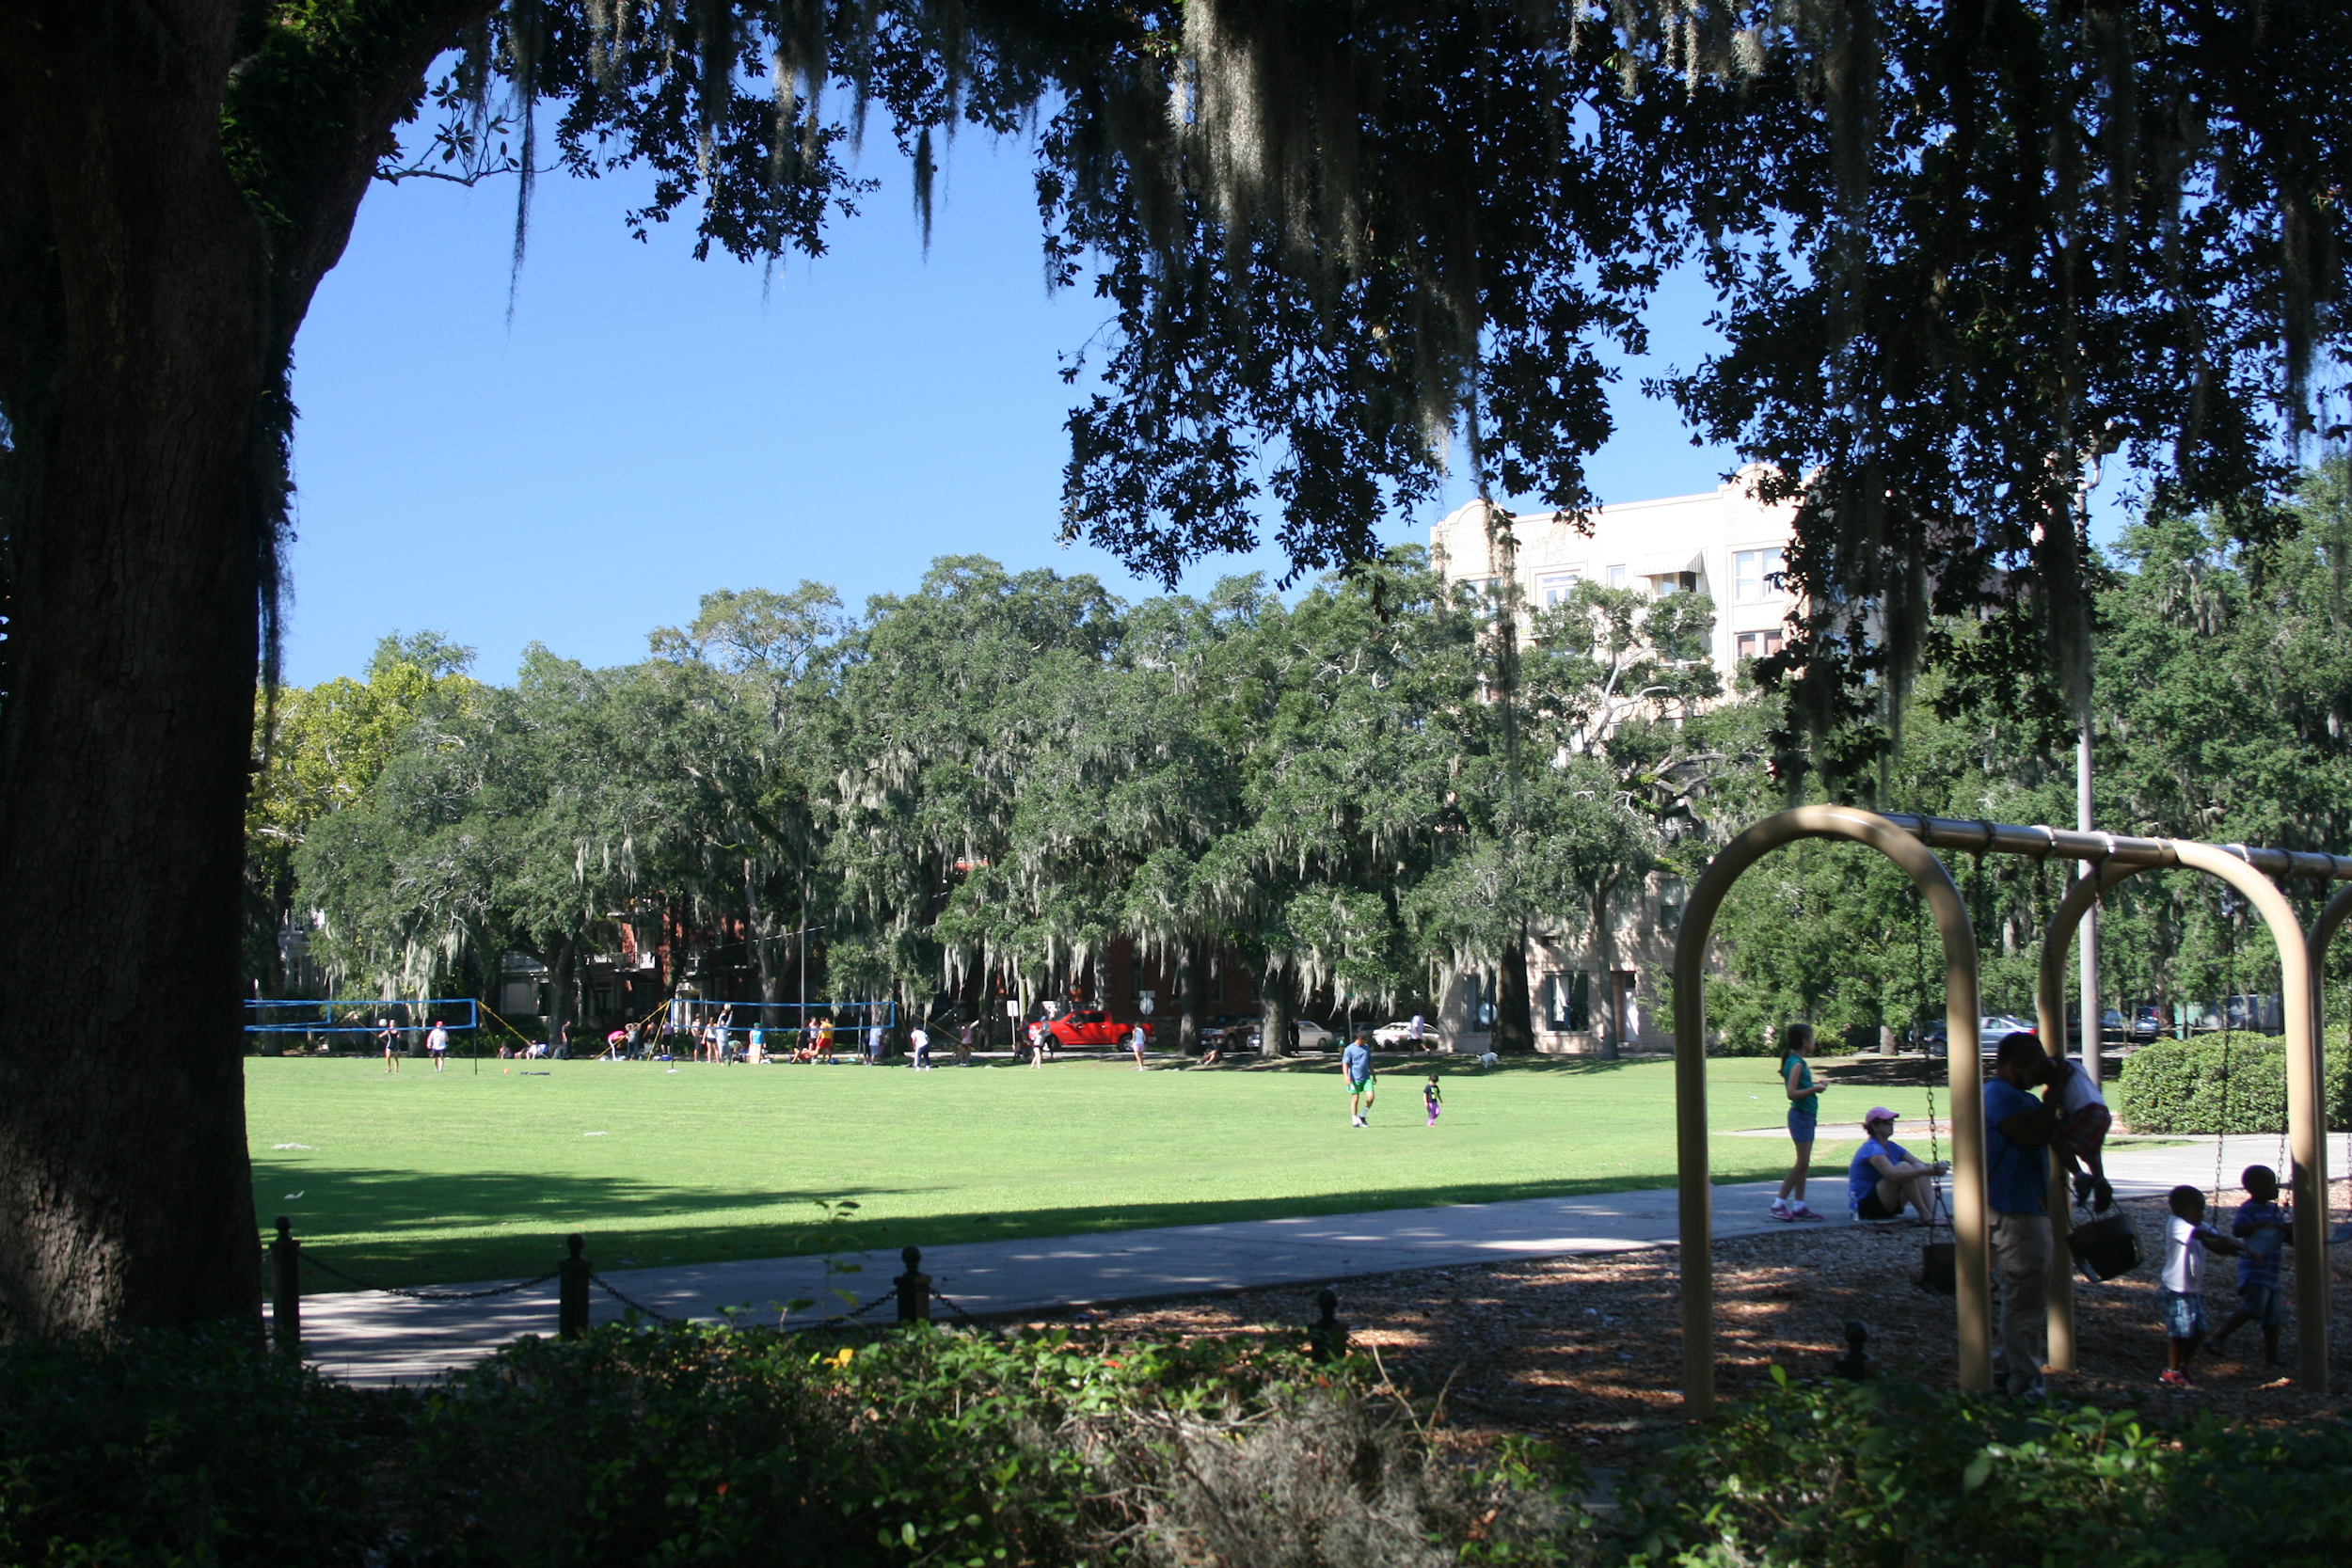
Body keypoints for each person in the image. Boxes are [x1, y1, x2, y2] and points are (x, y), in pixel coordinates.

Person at [1984, 1031, 2060, 1398]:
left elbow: (2053, 1135)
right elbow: (2029, 1135)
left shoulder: (2022, 1098)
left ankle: (2004, 1368)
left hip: (2024, 1206)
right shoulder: (1998, 1095)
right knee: (2024, 1299)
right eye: (2036, 1065)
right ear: (2017, 1065)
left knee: (2020, 1297)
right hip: (2014, 1209)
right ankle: (2024, 1380)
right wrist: (2054, 1096)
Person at [2158, 1183, 2243, 1387]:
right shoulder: (2176, 1224)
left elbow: (2218, 1241)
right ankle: (2171, 1371)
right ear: (2182, 1209)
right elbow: (2206, 1237)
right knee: (2180, 1332)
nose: (2202, 1214)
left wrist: (2241, 1250)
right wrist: (2224, 1243)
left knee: (2200, 1330)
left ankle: (2183, 1367)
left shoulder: (2199, 1226)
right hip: (2176, 1289)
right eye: (2198, 1210)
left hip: (2191, 1290)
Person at [2212, 1164, 2293, 1366]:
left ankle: (2272, 1358)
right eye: (2271, 1184)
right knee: (2254, 1306)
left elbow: (2280, 1234)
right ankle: (2218, 1337)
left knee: (2274, 1315)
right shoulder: (2249, 1208)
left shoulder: (2274, 1209)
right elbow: (2238, 1230)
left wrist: (2288, 1231)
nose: (2276, 1188)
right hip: (2255, 1267)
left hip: (2271, 1269)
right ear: (2255, 1188)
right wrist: (2259, 1225)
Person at [1847, 1107, 1948, 1223]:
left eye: (1892, 1121)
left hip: (1888, 1202)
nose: (1891, 1124)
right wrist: (1929, 1170)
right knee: (1904, 1167)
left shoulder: (1892, 1146)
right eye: (1886, 1122)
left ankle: (1934, 1213)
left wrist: (1936, 1168)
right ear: (1875, 1126)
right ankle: (1925, 1214)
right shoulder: (1872, 1148)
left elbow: (1920, 1165)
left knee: (1918, 1167)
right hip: (1866, 1206)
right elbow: (1893, 1175)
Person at [1770, 1023, 1828, 1221]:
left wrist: (1814, 1086)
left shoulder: (1796, 1061)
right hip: (1801, 1115)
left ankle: (1799, 1206)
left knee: (1804, 1164)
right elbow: (1791, 1093)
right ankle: (1778, 1204)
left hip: (1806, 1115)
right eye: (1812, 1038)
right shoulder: (1796, 1063)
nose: (1814, 1042)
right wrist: (1815, 1089)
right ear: (1804, 1041)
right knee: (1802, 1163)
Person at [2046, 1050, 2114, 1212]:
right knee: (2091, 1151)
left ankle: (2080, 1177)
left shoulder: (2058, 1069)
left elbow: (2056, 1098)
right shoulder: (2078, 1067)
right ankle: (2100, 1181)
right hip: (2102, 1111)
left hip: (2086, 1111)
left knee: (2057, 1140)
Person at [1343, 1029, 1376, 1128]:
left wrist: (1373, 1074)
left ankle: (1362, 1116)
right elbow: (1345, 1063)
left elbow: (1370, 1061)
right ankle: (1354, 1119)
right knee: (1355, 1099)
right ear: (1360, 1039)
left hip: (1366, 1078)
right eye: (1365, 1039)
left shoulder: (1366, 1048)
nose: (1366, 1041)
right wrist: (1346, 1076)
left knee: (1371, 1097)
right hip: (1354, 1079)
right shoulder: (1349, 1049)